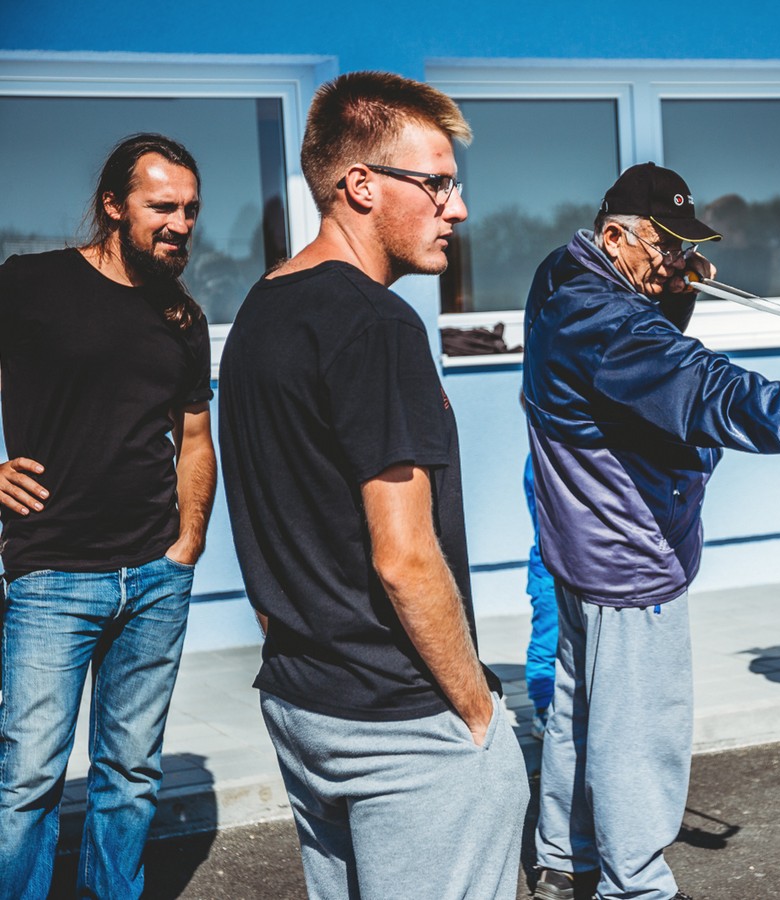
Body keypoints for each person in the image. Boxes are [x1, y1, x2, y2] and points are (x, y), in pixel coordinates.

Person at [525, 161, 780, 900]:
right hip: (626, 550)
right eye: (666, 246)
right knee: (638, 733)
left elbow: (635, 358)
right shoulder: (603, 317)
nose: (679, 261)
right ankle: (637, 885)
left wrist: (672, 286)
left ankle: (564, 856)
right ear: (616, 235)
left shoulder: (563, 273)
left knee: (581, 710)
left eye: (686, 247)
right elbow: (691, 380)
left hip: (580, 544)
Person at [218, 71, 527, 899]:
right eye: (436, 183)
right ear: (360, 185)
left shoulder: (261, 312)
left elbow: (268, 516)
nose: (456, 209)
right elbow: (404, 556)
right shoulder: (378, 324)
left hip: (303, 700)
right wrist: (477, 714)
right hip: (400, 721)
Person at [0, 133, 216, 899]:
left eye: (191, 209)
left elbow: (195, 437)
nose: (181, 223)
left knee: (130, 777)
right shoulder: (28, 285)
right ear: (114, 206)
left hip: (155, 577)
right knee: (27, 780)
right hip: (53, 572)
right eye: (163, 206)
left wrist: (187, 545)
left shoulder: (183, 319)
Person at [523, 451, 559, 738]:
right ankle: (543, 711)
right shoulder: (540, 459)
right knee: (546, 643)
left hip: (567, 566)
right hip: (550, 568)